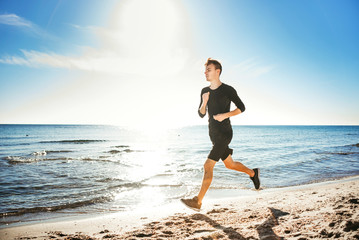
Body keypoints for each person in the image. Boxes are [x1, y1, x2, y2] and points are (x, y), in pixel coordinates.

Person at [181, 58, 260, 211]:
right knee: (230, 164)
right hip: (213, 134)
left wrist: (225, 115)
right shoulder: (204, 91)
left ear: (217, 71)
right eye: (205, 70)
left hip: (225, 133)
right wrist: (204, 102)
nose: (205, 72)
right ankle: (252, 173)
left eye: (208, 70)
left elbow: (241, 108)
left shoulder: (228, 90)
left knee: (208, 165)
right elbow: (201, 114)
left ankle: (198, 201)